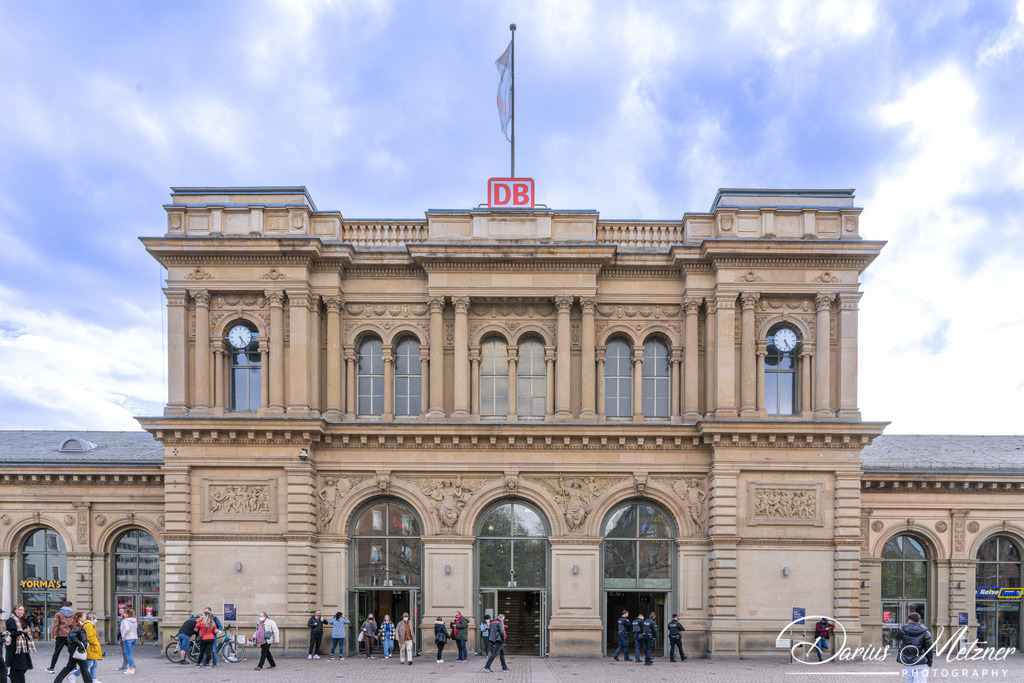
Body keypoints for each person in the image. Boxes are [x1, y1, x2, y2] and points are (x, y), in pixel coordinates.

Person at [52, 611, 91, 683]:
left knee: (70, 667)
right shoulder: (77, 626)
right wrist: (80, 644)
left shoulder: (77, 625)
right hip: (76, 649)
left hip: (74, 648)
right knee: (83, 667)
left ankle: (57, 681)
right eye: (84, 616)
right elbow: (73, 636)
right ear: (80, 618)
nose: (85, 617)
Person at [894, 612, 933, 683]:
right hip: (921, 662)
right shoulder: (926, 632)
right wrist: (930, 661)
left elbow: (896, 637)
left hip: (908, 662)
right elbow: (929, 649)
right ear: (919, 621)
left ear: (909, 621)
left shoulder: (904, 630)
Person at [68, 611, 102, 683]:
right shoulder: (89, 625)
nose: (96, 619)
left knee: (94, 663)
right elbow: (90, 637)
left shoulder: (89, 624)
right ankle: (74, 676)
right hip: (91, 647)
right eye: (95, 617)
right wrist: (96, 643)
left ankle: (93, 678)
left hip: (92, 647)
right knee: (88, 664)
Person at [5, 604, 34, 683]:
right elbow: (10, 633)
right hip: (15, 647)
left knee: (23, 667)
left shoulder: (22, 619)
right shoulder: (11, 620)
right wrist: (22, 632)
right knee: (19, 667)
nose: (22, 612)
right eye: (20, 610)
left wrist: (26, 632)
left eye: (23, 610)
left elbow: (24, 630)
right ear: (15, 610)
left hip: (22, 646)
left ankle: (13, 678)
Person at [45, 600, 74, 674]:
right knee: (72, 651)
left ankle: (52, 668)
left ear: (63, 605)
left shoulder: (58, 614)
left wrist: (52, 635)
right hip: (70, 635)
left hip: (60, 635)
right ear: (70, 606)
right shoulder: (73, 614)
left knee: (57, 652)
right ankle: (73, 667)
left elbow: (55, 625)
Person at [119, 608, 138, 675]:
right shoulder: (134, 620)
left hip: (128, 638)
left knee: (128, 653)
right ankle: (132, 667)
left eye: (124, 613)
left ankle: (131, 668)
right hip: (134, 637)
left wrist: (123, 636)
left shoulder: (125, 621)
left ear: (127, 614)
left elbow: (127, 629)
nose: (122, 614)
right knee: (129, 653)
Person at [114, 606, 128, 671]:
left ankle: (126, 665)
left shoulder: (126, 619)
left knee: (126, 652)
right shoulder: (123, 618)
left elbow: (126, 629)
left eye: (121, 611)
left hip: (124, 638)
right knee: (127, 652)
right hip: (122, 637)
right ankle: (132, 665)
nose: (120, 612)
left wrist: (123, 637)